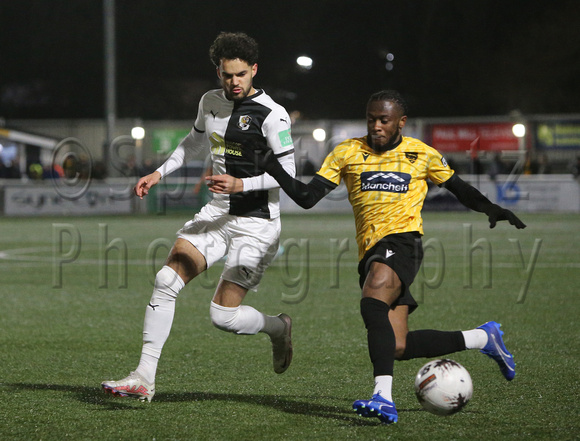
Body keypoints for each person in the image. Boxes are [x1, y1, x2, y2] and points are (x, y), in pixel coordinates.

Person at [233, 90, 526, 424]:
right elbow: (306, 197)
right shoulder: (347, 153)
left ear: (400, 122)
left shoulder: (421, 153)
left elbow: (460, 188)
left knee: (373, 296)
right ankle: (483, 337)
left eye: (384, 120)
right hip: (370, 250)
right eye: (371, 118)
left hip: (403, 243)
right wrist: (273, 166)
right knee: (397, 345)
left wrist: (492, 208)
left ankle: (383, 398)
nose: (376, 126)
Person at [101, 32, 296, 402]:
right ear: (218, 73)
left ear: (254, 70)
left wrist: (241, 185)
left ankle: (277, 328)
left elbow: (288, 173)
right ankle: (144, 376)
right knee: (164, 280)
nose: (234, 82)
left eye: (241, 74)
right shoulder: (209, 102)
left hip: (257, 224)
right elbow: (193, 142)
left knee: (223, 317)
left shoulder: (273, 115)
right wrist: (159, 172)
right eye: (227, 75)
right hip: (217, 214)